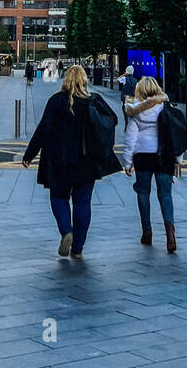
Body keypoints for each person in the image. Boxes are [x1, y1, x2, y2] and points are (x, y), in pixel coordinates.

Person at [22, 64, 121, 258]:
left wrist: (29, 154)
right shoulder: (94, 101)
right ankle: (78, 249)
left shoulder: (56, 101)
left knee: (58, 197)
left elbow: (43, 130)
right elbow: (113, 120)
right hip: (87, 161)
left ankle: (66, 231)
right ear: (84, 80)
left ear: (66, 79)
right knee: (83, 202)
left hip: (59, 160)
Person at [123, 76, 182, 251]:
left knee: (143, 193)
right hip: (164, 155)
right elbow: (176, 134)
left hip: (142, 155)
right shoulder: (166, 108)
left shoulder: (136, 110)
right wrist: (178, 159)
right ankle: (170, 232)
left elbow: (131, 137)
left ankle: (147, 232)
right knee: (165, 195)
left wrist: (127, 162)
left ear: (139, 90)